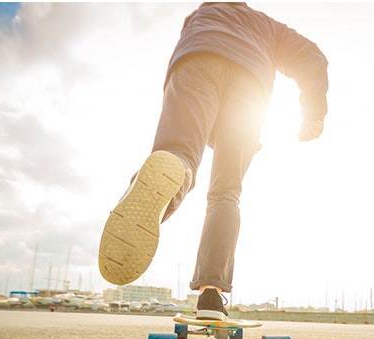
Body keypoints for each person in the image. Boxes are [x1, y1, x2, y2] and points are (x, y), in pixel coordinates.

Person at [98, 2, 329, 320]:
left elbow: (211, 84)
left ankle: (166, 177)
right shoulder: (266, 25)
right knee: (225, 193)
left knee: (179, 155)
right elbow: (311, 55)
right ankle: (211, 294)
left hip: (196, 57)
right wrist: (313, 112)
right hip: (251, 87)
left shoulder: (200, 16)